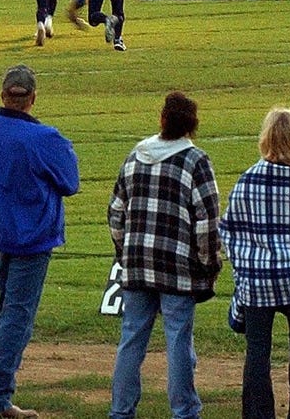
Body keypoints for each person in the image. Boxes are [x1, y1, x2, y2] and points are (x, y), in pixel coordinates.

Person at [0, 64, 79, 419]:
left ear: (2, 95)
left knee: (8, 311)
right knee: (18, 315)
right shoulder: (44, 138)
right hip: (32, 236)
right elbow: (70, 182)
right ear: (32, 99)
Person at [107, 92, 222, 419]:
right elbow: (207, 220)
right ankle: (184, 411)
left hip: (137, 266)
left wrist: (124, 252)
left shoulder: (136, 155)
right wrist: (209, 263)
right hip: (176, 268)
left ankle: (121, 411)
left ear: (162, 119)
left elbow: (115, 213)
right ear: (193, 125)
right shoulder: (196, 161)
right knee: (178, 343)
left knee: (131, 341)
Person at [220, 108, 290, 419]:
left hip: (259, 280)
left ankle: (258, 415)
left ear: (266, 138)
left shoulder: (249, 180)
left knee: (258, 351)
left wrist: (245, 265)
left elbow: (229, 229)